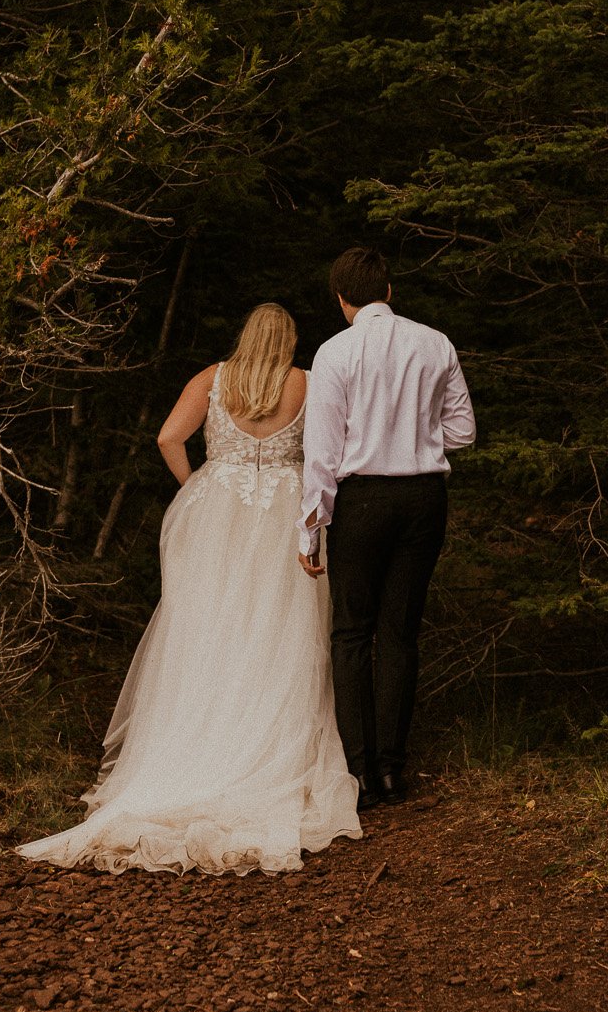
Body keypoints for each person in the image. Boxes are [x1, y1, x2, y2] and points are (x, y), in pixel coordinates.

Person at [18, 304, 360, 874]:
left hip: (215, 513)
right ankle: (264, 749)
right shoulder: (306, 381)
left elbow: (168, 437)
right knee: (279, 633)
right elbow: (333, 449)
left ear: (245, 335)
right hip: (285, 512)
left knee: (206, 629)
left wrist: (197, 482)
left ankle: (189, 744)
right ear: (291, 339)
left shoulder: (213, 377)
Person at [298, 248, 475, 810]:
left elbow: (322, 452)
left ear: (341, 298)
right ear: (390, 291)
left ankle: (360, 775)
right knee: (400, 632)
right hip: (424, 497)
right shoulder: (436, 343)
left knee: (352, 632)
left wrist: (310, 530)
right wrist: (415, 441)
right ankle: (394, 772)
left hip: (363, 499)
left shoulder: (334, 352)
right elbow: (464, 431)